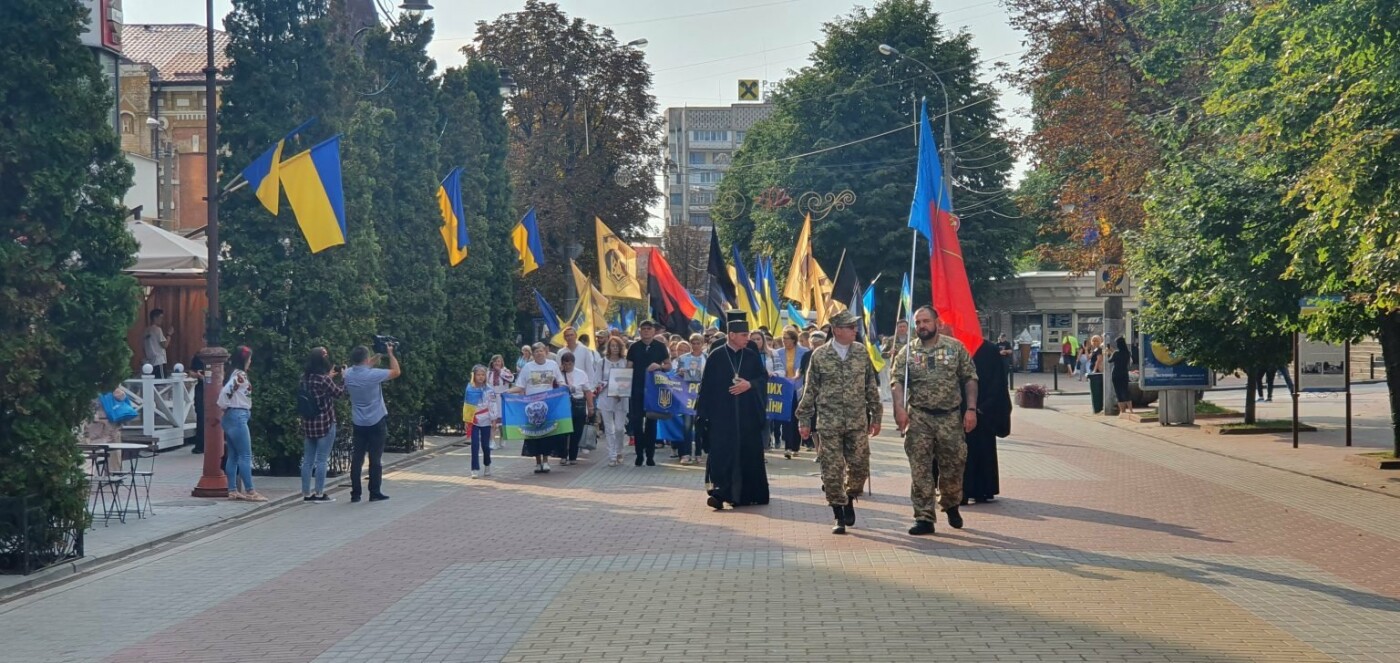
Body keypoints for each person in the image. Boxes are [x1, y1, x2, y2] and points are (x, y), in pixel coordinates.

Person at [890, 306, 977, 535]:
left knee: (954, 466)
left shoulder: (954, 347)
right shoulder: (906, 352)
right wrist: (899, 408)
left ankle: (950, 503)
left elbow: (970, 378)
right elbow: (897, 381)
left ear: (937, 323)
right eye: (918, 323)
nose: (921, 326)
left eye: (926, 321)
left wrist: (971, 409)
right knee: (920, 469)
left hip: (949, 416)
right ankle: (924, 517)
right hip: (919, 417)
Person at [796, 311, 881, 534]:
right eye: (850, 327)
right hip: (829, 422)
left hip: (856, 421)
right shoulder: (820, 355)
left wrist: (877, 415)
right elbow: (810, 389)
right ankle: (838, 513)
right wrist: (804, 419)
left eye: (855, 327)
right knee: (832, 470)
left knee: (860, 466)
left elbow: (870, 386)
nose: (855, 330)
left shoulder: (861, 353)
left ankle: (850, 496)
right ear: (837, 330)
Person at [696, 311, 770, 510]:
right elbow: (706, 387)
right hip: (723, 416)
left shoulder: (752, 356)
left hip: (747, 415)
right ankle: (721, 492)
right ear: (732, 336)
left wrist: (749, 385)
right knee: (723, 453)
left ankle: (748, 493)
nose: (748, 339)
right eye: (744, 335)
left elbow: (763, 379)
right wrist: (702, 415)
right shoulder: (716, 356)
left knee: (747, 453)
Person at [344, 342, 401, 503]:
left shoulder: (348, 374)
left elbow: (363, 365)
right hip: (376, 420)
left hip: (358, 421)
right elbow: (396, 372)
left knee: (357, 458)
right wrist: (390, 354)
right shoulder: (373, 375)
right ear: (366, 359)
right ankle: (374, 491)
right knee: (375, 458)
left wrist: (378, 355)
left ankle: (355, 493)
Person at [963, 340, 1011, 504]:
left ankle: (982, 489)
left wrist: (983, 407)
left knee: (982, 449)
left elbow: (998, 382)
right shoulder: (951, 346)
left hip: (983, 410)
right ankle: (962, 490)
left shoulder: (988, 349)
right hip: (960, 409)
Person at [217, 345, 266, 502]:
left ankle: (232, 489)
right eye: (249, 359)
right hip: (239, 414)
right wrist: (223, 404)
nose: (250, 361)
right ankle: (250, 490)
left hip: (231, 415)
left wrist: (225, 407)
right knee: (245, 455)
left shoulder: (234, 374)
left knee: (233, 455)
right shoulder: (240, 376)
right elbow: (225, 392)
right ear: (245, 360)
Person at [298, 347, 345, 502]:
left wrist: (329, 376)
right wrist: (343, 378)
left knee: (308, 460)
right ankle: (319, 493)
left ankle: (306, 493)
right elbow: (338, 393)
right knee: (322, 459)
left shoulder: (304, 378)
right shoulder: (324, 380)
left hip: (308, 423)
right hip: (325, 422)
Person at [513, 342, 568, 473]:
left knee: (546, 433)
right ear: (533, 354)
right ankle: (537, 462)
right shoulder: (527, 367)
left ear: (546, 352)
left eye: (541, 350)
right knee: (534, 434)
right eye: (536, 351)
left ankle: (546, 461)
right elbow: (520, 386)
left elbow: (560, 381)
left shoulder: (552, 365)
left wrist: (563, 388)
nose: (539, 353)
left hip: (548, 405)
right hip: (532, 405)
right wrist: (508, 393)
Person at [627, 320, 672, 467]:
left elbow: (668, 365)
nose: (646, 331)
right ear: (640, 331)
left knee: (652, 423)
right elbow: (628, 368)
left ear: (654, 331)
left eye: (649, 329)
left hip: (654, 390)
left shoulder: (660, 347)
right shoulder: (634, 347)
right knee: (637, 423)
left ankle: (650, 456)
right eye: (643, 329)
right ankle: (639, 454)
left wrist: (659, 366)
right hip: (637, 389)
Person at [773, 328, 808, 456]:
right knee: (785, 418)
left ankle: (795, 447)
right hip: (782, 389)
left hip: (797, 388)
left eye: (786, 339)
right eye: (783, 339)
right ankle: (787, 447)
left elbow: (802, 368)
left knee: (795, 417)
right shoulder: (777, 353)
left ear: (793, 339)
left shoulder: (804, 352)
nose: (784, 341)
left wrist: (798, 375)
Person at [598, 336, 631, 466]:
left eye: (617, 346)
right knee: (609, 428)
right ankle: (612, 455)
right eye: (612, 346)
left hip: (621, 397)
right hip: (606, 397)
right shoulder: (602, 362)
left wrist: (620, 388)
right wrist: (608, 383)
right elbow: (596, 380)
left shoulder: (625, 362)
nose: (615, 348)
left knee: (618, 428)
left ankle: (620, 450)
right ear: (609, 347)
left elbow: (628, 378)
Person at [558, 351, 595, 466]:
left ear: (574, 363)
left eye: (570, 364)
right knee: (564, 432)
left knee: (576, 431)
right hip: (564, 405)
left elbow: (587, 391)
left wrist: (591, 407)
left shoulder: (581, 374)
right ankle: (563, 455)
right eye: (565, 364)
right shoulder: (558, 374)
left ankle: (573, 456)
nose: (568, 366)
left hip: (578, 404)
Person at [675, 337, 707, 465]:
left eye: (698, 343)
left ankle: (698, 453)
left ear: (702, 344)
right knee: (687, 425)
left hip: (702, 395)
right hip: (687, 396)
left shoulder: (707, 357)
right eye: (693, 343)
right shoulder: (684, 358)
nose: (695, 345)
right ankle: (686, 453)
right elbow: (677, 374)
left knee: (699, 425)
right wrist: (681, 372)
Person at [464, 365, 494, 478]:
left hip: (486, 420)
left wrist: (493, 419)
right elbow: (466, 405)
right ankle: (474, 468)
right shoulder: (470, 388)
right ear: (474, 376)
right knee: (474, 444)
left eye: (483, 375)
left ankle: (487, 464)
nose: (480, 377)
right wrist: (467, 420)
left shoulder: (489, 389)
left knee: (485, 445)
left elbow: (492, 404)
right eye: (478, 375)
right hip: (474, 419)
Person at [486, 355, 513, 449]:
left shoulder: (506, 371)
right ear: (492, 363)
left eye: (499, 361)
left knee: (502, 422)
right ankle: (492, 441)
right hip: (492, 399)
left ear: (502, 363)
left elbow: (511, 379)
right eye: (495, 361)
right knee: (493, 421)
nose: (497, 363)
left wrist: (500, 371)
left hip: (502, 398)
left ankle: (502, 437)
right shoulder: (489, 373)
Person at [142, 308, 172, 379]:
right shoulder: (158, 329)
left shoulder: (146, 331)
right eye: (161, 318)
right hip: (159, 361)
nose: (162, 320)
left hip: (149, 362)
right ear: (155, 318)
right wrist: (169, 335)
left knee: (153, 383)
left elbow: (143, 347)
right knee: (161, 383)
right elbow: (164, 345)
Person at [1108, 336, 1134, 416]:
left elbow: (1110, 360)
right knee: (1125, 390)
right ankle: (1131, 410)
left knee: (1118, 392)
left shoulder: (1116, 353)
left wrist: (1109, 352)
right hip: (1124, 373)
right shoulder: (1127, 353)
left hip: (1116, 374)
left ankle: (1122, 411)